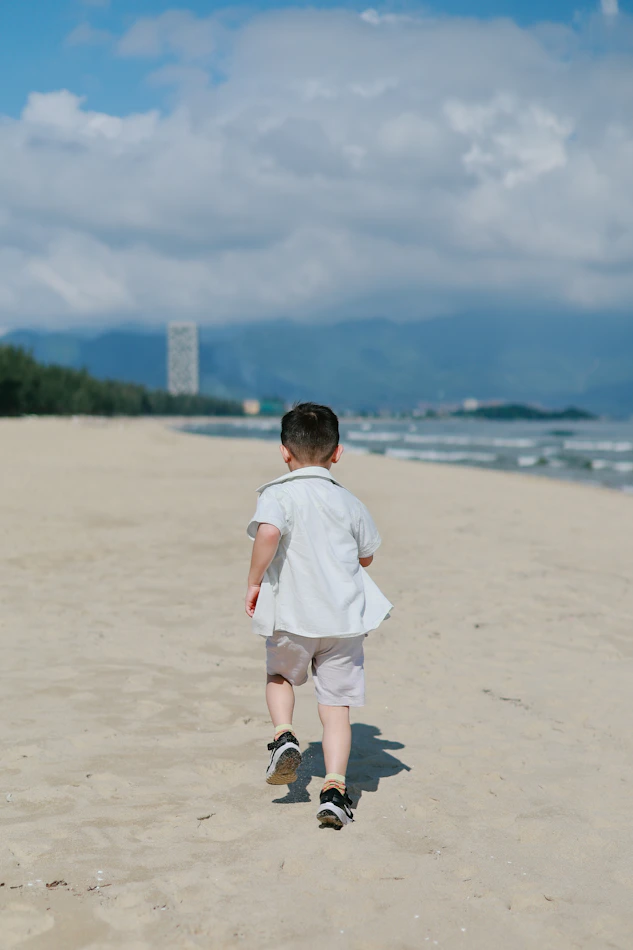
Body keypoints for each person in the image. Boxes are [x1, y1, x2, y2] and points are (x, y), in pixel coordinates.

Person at [245, 402, 393, 828]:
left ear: (283, 452)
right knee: (335, 707)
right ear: (337, 453)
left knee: (280, 677)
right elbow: (367, 557)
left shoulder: (278, 494)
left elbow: (269, 532)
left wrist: (255, 580)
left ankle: (283, 735)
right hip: (344, 623)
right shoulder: (349, 502)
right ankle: (333, 790)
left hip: (293, 617)